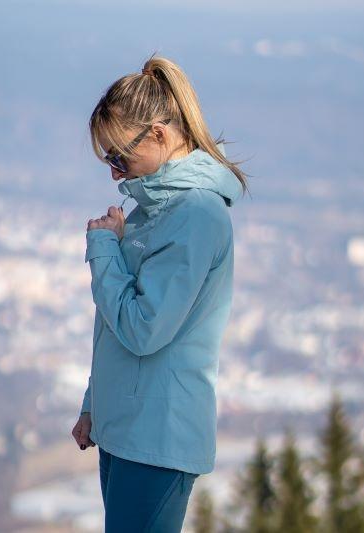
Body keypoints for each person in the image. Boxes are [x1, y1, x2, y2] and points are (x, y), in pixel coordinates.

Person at [70, 52, 250, 532]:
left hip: (158, 437)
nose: (114, 172)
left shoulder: (195, 216)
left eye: (118, 157)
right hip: (128, 429)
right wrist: (94, 405)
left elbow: (143, 328)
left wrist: (104, 250)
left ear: (158, 134)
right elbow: (116, 324)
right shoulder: (154, 210)